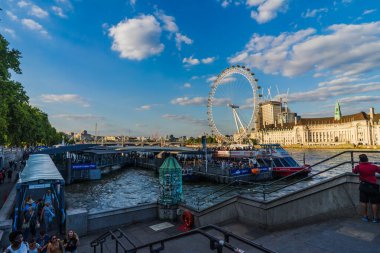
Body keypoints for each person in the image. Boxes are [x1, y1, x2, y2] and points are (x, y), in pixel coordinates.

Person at [352, 154, 380, 223]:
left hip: (363, 185)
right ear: (367, 159)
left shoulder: (358, 167)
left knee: (364, 202)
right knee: (374, 202)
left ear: (360, 160)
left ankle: (365, 217)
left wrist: (359, 165)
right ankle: (375, 218)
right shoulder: (373, 166)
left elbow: (354, 172)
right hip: (372, 186)